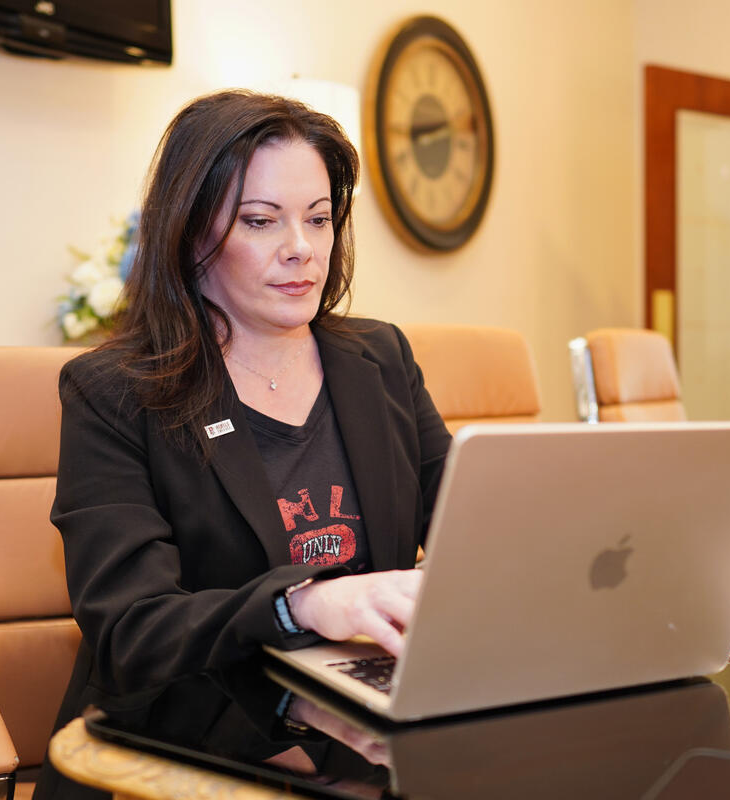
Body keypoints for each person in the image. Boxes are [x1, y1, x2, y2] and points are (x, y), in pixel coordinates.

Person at [34, 90, 451, 798]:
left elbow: (469, 534)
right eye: (261, 221)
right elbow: (132, 629)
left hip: (363, 724)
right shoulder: (114, 394)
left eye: (318, 218)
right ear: (191, 232)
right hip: (183, 747)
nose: (302, 248)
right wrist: (301, 605)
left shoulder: (380, 358)